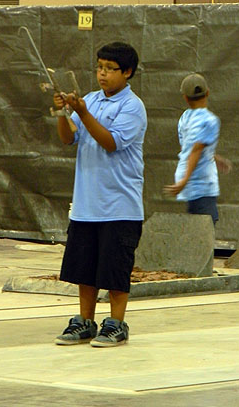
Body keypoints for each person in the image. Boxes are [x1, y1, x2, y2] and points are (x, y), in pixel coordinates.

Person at [53, 42, 147, 347]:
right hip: (86, 204)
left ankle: (116, 323)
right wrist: (62, 113)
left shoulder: (132, 106)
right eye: (99, 67)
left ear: (127, 72)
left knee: (115, 268)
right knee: (86, 267)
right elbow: (69, 138)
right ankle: (85, 321)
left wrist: (82, 111)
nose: (102, 74)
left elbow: (110, 142)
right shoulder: (90, 100)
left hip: (120, 206)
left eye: (109, 69)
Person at [163, 73, 231, 224]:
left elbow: (188, 147)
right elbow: (196, 150)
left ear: (185, 97)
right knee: (204, 232)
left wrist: (215, 157)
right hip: (202, 184)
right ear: (207, 92)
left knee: (194, 229)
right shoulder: (210, 120)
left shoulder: (185, 118)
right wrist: (185, 180)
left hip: (189, 185)